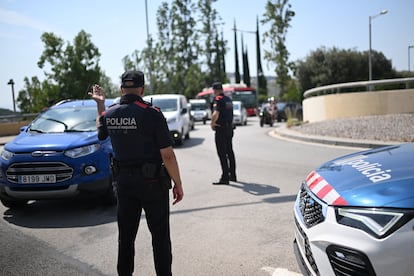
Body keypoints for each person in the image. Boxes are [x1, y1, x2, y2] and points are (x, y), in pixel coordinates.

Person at [89, 70, 184, 276]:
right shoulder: (152, 113)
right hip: (152, 183)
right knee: (160, 237)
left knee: (126, 237)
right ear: (142, 89)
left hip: (124, 183)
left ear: (121, 89)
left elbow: (100, 131)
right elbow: (167, 155)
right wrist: (178, 182)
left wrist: (100, 105)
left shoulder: (110, 113)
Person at [210, 82, 237, 185]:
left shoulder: (218, 100)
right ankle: (233, 175)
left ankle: (225, 177)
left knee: (222, 153)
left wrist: (212, 123)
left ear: (215, 90)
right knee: (230, 152)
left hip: (221, 128)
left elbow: (216, 113)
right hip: (229, 128)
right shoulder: (228, 100)